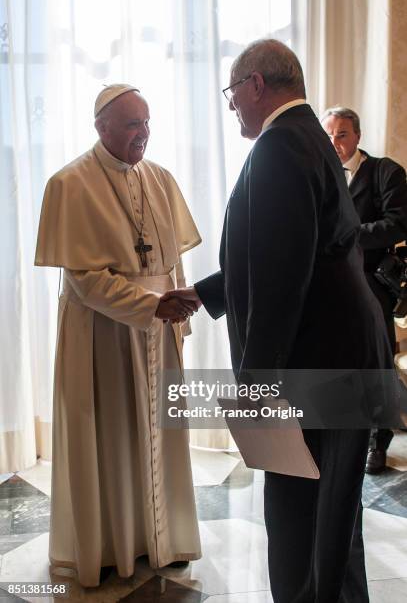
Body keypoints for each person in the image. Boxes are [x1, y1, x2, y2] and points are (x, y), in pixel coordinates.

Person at [162, 39, 394, 602]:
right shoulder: (309, 137)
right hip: (344, 356)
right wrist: (206, 291)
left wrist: (256, 390)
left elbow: (281, 276)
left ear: (255, 86)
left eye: (232, 93)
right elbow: (311, 249)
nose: (232, 105)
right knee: (333, 519)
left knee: (300, 520)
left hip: (314, 364)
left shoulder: (278, 148)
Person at [35, 84, 202, 587]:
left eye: (147, 123)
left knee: (161, 436)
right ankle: (110, 549)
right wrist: (151, 306)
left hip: (158, 329)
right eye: (133, 124)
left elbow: (171, 260)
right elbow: (81, 280)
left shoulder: (161, 178)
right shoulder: (69, 184)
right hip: (103, 335)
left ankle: (163, 539)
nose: (143, 134)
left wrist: (177, 315)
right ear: (101, 126)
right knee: (109, 436)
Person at [322, 106, 407, 474]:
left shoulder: (386, 171)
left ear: (357, 136)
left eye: (342, 134)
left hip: (373, 283)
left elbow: (398, 224)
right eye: (328, 135)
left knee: (377, 364)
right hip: (331, 285)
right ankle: (338, 433)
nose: (335, 142)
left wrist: (349, 238)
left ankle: (377, 442)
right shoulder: (322, 174)